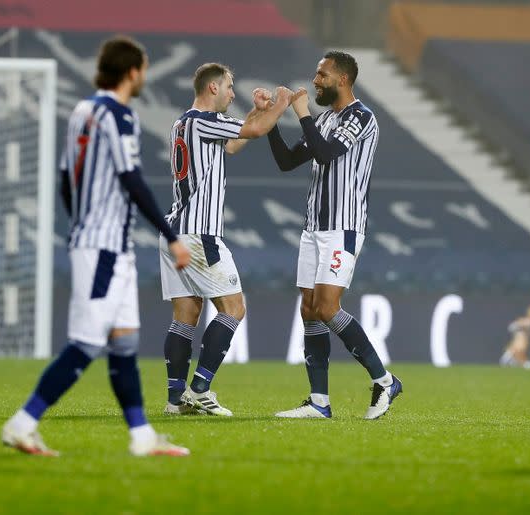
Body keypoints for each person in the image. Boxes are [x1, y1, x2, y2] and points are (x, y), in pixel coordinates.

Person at [1, 36, 191, 456]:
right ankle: (22, 422)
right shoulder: (120, 115)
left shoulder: (82, 111)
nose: (144, 75)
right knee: (86, 344)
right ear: (132, 72)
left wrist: (81, 222)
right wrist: (171, 236)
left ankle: (141, 438)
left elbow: (66, 178)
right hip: (103, 249)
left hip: (105, 246)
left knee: (124, 344)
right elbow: (131, 178)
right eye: (143, 68)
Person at [267, 51, 402, 419]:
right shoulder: (325, 119)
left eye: (322, 75)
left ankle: (385, 380)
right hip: (314, 228)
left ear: (342, 79)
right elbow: (286, 161)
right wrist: (273, 120)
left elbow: (325, 154)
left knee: (327, 307)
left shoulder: (361, 117)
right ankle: (319, 402)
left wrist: (302, 112)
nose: (315, 81)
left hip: (343, 226)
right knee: (310, 310)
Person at [160, 63, 294, 416]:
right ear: (213, 88)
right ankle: (200, 389)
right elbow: (255, 130)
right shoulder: (204, 120)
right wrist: (283, 101)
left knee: (186, 314)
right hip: (199, 233)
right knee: (234, 309)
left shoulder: (184, 122)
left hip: (175, 231)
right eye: (230, 87)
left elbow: (234, 144)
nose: (233, 93)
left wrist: (257, 111)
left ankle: (176, 400)